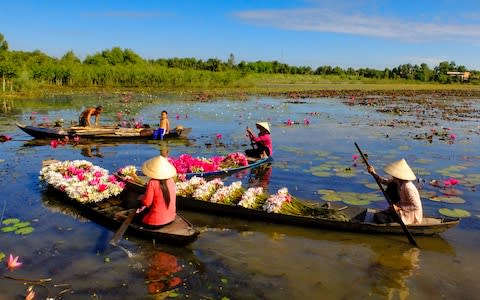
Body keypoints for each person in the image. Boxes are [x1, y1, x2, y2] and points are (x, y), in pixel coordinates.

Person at [367, 159, 423, 225]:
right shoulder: (398, 181)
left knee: (378, 217)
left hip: (410, 214)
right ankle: (393, 212)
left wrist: (398, 208)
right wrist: (373, 173)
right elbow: (384, 181)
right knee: (391, 186)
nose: (392, 175)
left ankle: (396, 216)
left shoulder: (408, 187)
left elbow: (415, 206)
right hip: (400, 207)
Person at [136, 156, 177, 229]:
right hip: (171, 218)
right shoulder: (171, 180)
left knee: (137, 213)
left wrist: (142, 198)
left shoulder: (153, 182)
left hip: (156, 222)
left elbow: (147, 203)